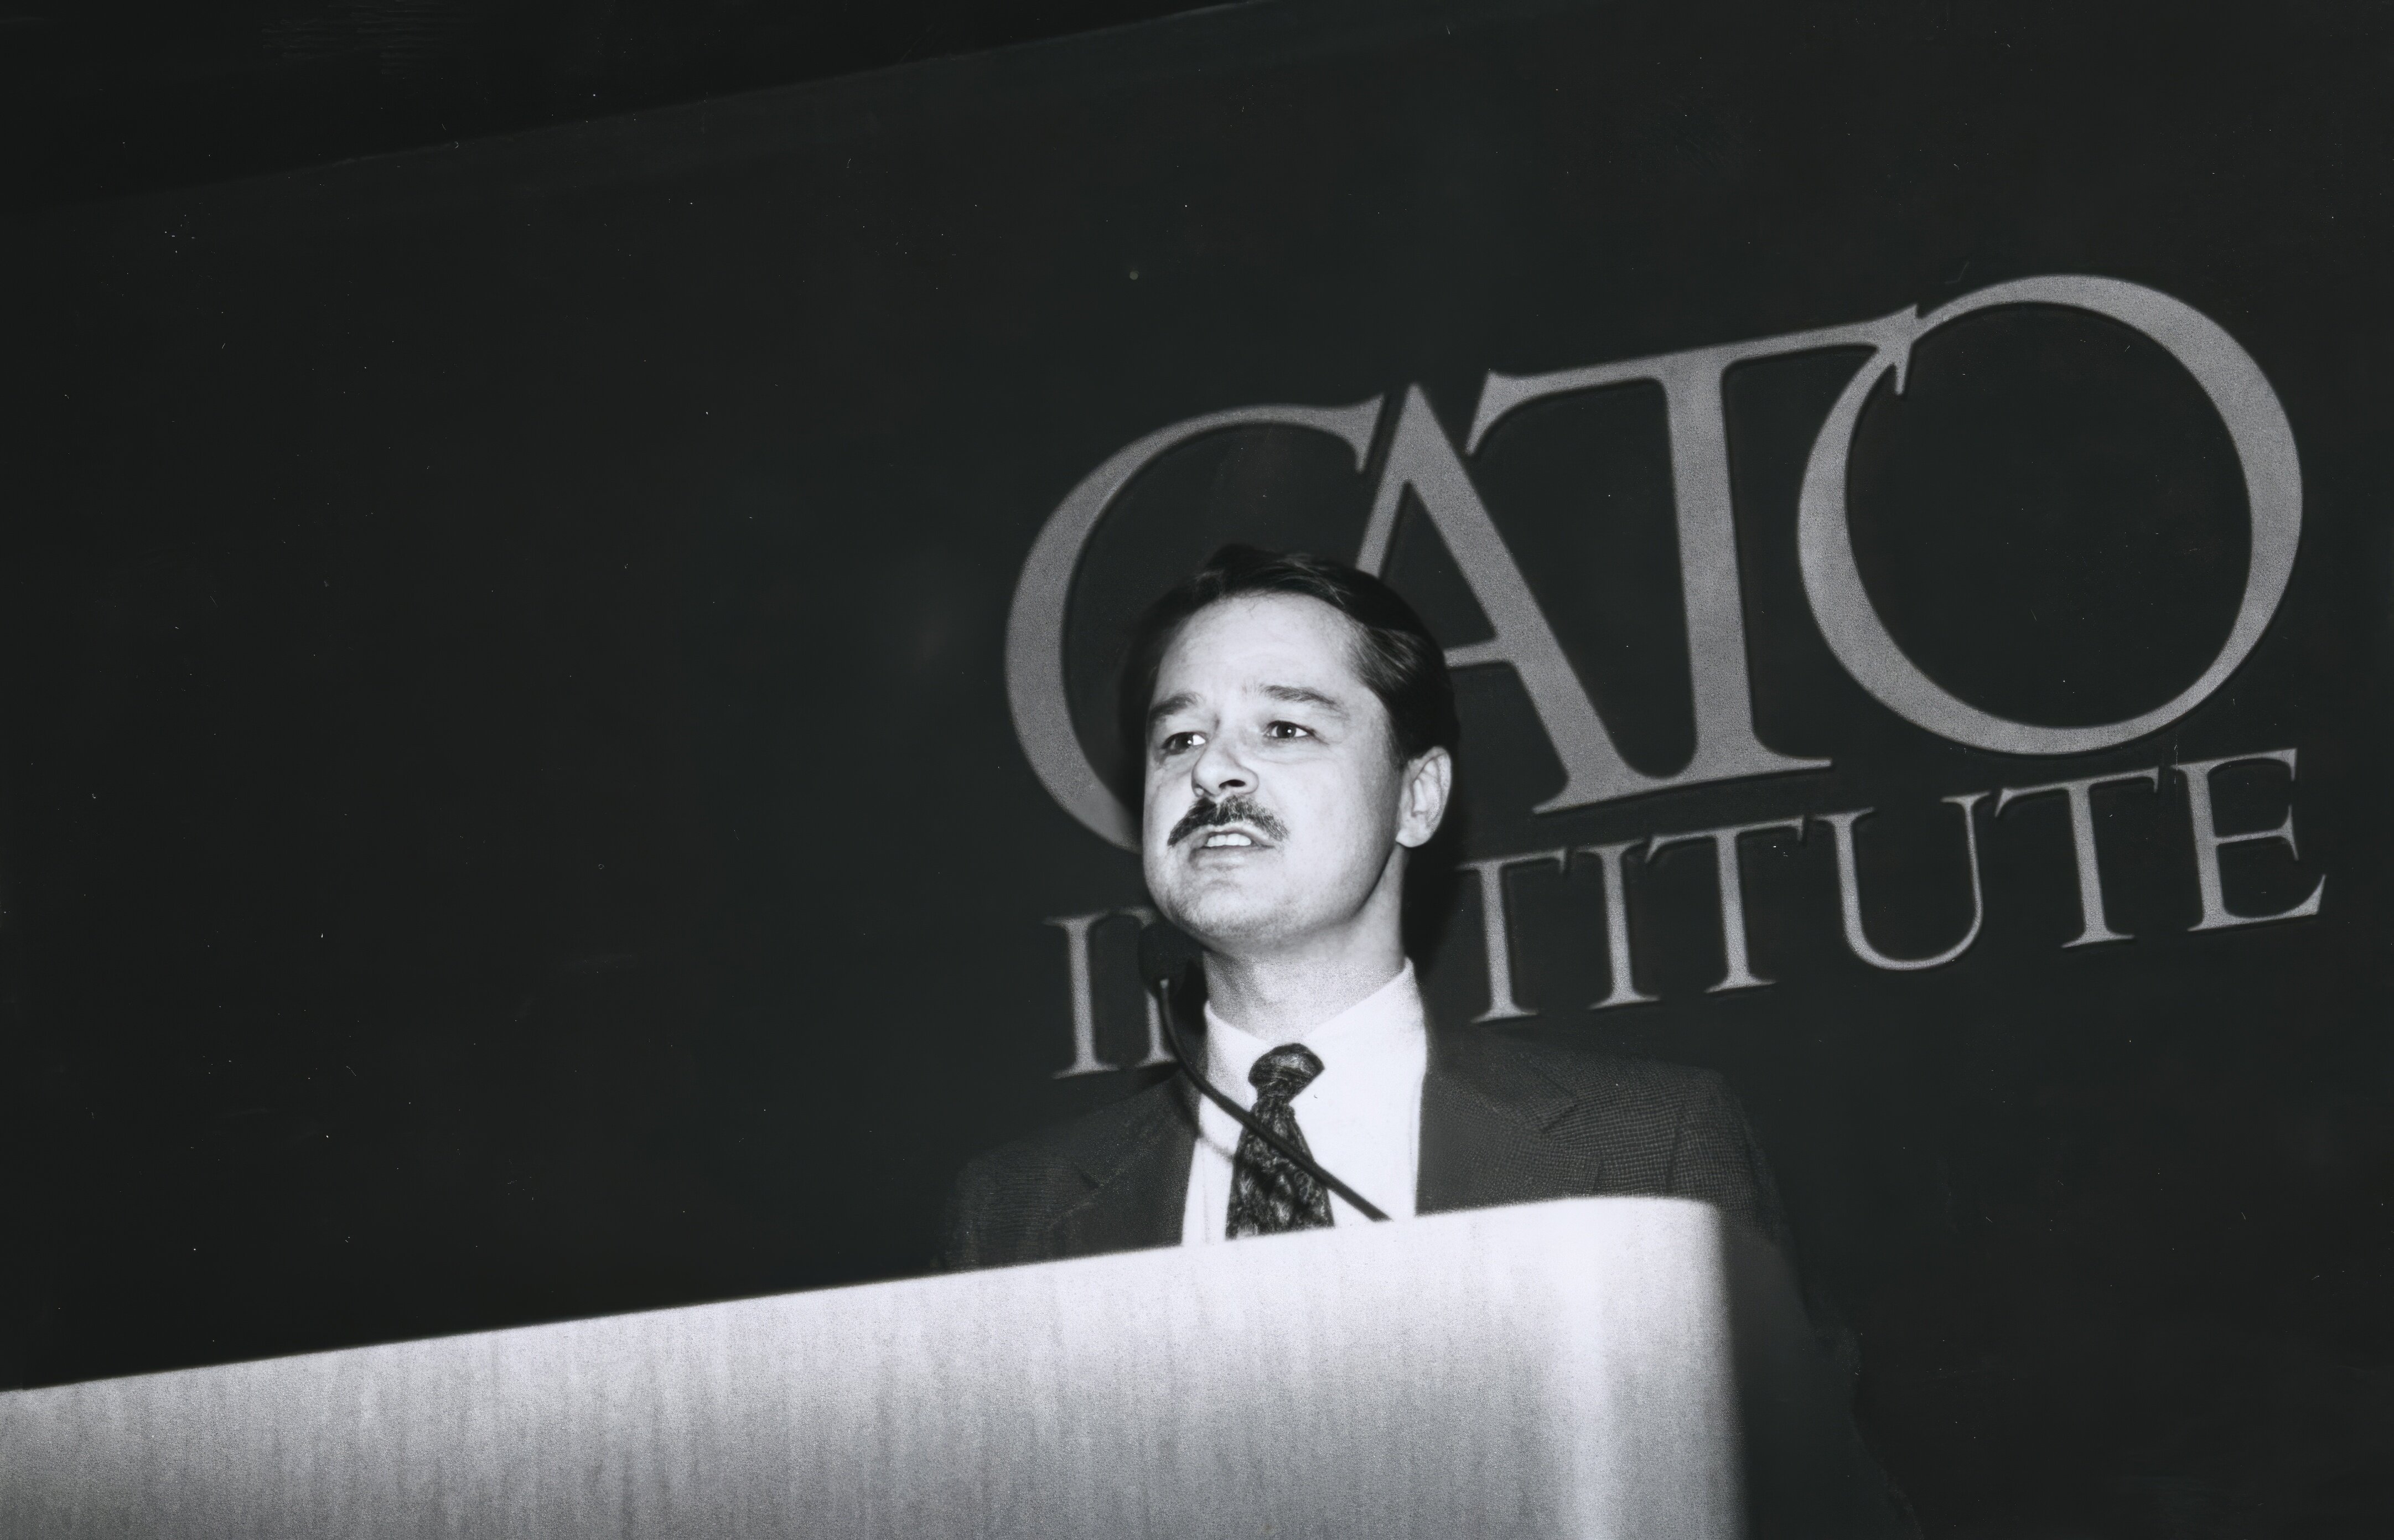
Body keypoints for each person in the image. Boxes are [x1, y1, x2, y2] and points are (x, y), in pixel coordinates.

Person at [941, 543, 1793, 1264]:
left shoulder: (1650, 1149)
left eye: (1284, 729)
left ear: (1416, 798)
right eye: (1181, 738)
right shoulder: (1014, 1214)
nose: (1211, 770)